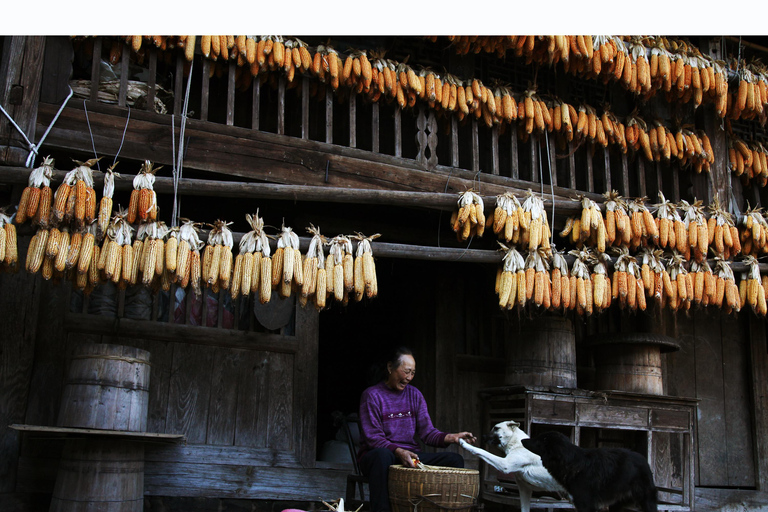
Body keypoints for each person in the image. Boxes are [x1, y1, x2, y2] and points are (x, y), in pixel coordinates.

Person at [357, 347, 476, 512]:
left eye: (413, 373)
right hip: (380, 455)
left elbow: (428, 433)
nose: (409, 378)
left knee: (454, 460)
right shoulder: (372, 395)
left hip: (410, 457)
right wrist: (399, 451)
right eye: (406, 372)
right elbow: (373, 439)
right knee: (382, 456)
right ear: (390, 368)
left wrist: (452, 437)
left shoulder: (415, 395)